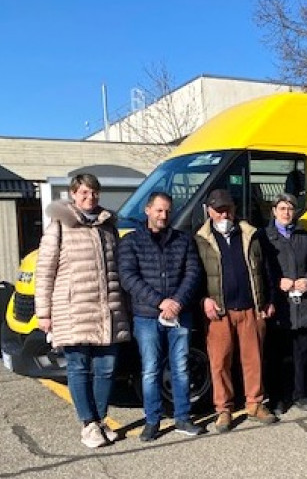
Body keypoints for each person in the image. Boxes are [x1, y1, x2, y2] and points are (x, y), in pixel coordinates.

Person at [35, 174, 130, 449]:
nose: (90, 199)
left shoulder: (108, 226)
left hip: (108, 310)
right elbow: (45, 271)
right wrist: (44, 313)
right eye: (85, 193)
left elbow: (117, 270)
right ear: (73, 195)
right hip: (72, 309)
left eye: (95, 194)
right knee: (78, 367)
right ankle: (88, 423)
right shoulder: (59, 226)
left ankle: (100, 420)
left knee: (107, 367)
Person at [119, 192, 205, 441]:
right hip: (147, 316)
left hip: (180, 314)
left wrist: (177, 302)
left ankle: (182, 418)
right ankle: (152, 420)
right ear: (147, 211)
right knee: (150, 370)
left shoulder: (184, 240)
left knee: (180, 368)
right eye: (158, 210)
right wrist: (160, 302)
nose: (164, 215)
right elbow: (128, 278)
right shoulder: (131, 242)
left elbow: (193, 273)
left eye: (167, 211)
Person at [193, 189, 277, 433]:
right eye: (218, 209)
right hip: (219, 312)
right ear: (209, 211)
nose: (223, 214)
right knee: (220, 363)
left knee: (253, 361)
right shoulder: (199, 239)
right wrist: (203, 300)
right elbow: (195, 275)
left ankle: (255, 404)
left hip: (251, 308)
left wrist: (268, 299)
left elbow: (266, 269)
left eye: (227, 208)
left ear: (234, 208)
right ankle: (224, 409)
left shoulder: (251, 235)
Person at [264, 193, 307, 412]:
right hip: (279, 306)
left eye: (290, 209)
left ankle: (301, 394)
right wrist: (278, 281)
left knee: (302, 355)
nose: (286, 213)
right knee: (276, 356)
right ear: (274, 211)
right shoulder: (265, 236)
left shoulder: (305, 236)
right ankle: (277, 398)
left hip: (303, 304)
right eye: (282, 208)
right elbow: (260, 267)